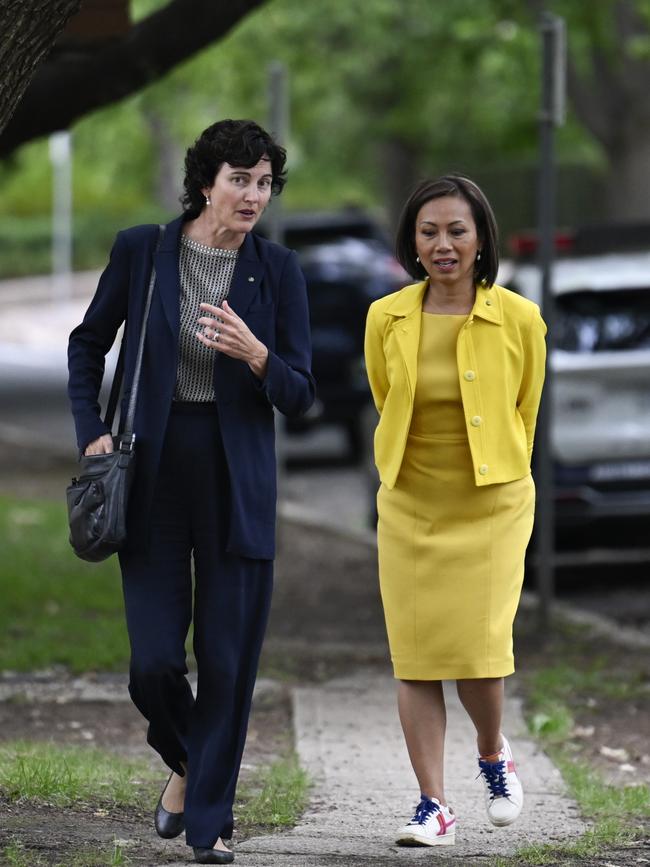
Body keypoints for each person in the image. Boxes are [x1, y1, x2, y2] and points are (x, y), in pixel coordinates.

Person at [68, 119, 314, 865]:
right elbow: (88, 344)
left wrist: (257, 354)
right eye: (239, 178)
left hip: (236, 475)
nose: (252, 194)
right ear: (206, 182)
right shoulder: (144, 251)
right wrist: (91, 429)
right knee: (154, 662)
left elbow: (302, 394)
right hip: (152, 468)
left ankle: (208, 825)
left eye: (264, 182)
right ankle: (189, 763)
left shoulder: (278, 271)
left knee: (228, 658)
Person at [364, 175, 546, 848]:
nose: (443, 244)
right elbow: (387, 398)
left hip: (492, 506)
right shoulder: (385, 316)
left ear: (480, 240)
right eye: (429, 232)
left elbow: (524, 409)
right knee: (414, 657)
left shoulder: (520, 319)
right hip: (411, 505)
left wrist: (499, 469)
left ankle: (494, 753)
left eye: (456, 231)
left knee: (478, 651)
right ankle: (432, 804)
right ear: (412, 243)